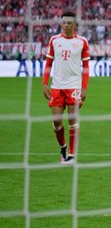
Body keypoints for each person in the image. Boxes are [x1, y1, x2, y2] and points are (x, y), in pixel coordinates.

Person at [42, 11, 90, 164]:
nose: (66, 25)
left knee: (72, 119)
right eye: (63, 23)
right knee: (56, 122)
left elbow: (86, 67)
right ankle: (63, 147)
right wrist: (45, 84)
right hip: (57, 86)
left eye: (69, 23)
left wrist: (84, 87)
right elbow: (48, 64)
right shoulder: (54, 40)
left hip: (74, 86)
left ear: (74, 24)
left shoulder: (82, 42)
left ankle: (72, 155)